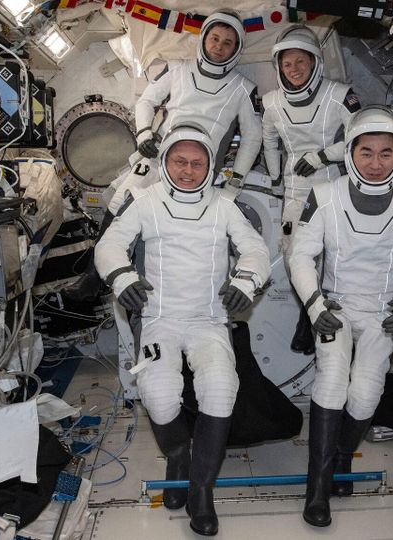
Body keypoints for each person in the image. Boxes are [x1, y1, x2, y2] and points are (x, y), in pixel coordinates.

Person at [94, 124, 271, 537]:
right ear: (166, 161)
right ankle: (179, 455)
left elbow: (255, 249)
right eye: (179, 162)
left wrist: (246, 281)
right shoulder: (144, 201)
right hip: (159, 318)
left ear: (209, 167)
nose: (188, 171)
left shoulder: (224, 206)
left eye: (197, 163)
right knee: (158, 395)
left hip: (208, 319)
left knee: (221, 388)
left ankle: (201, 491)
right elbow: (109, 245)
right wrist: (122, 277)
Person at [287, 106, 393, 527]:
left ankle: (341, 457)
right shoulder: (324, 195)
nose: (376, 163)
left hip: (383, 314)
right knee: (332, 383)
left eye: (385, 153)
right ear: (350, 154)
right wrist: (315, 304)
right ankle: (317, 487)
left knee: (364, 395)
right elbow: (300, 256)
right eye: (366, 152)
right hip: (334, 308)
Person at [261, 24, 361, 355]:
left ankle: (325, 321)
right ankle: (310, 312)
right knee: (294, 254)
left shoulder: (339, 95)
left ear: (315, 61)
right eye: (287, 64)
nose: (294, 70)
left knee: (332, 254)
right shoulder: (272, 102)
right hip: (295, 191)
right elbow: (269, 139)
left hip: (331, 186)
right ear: (279, 67)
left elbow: (360, 138)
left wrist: (322, 156)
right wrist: (275, 177)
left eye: (300, 62)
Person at [128, 8, 262, 197]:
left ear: (236, 48)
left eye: (227, 43)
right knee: (121, 203)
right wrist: (144, 136)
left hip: (199, 170)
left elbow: (252, 137)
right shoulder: (176, 68)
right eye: (215, 38)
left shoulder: (244, 88)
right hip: (157, 157)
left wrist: (236, 181)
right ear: (204, 38)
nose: (219, 47)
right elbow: (146, 101)